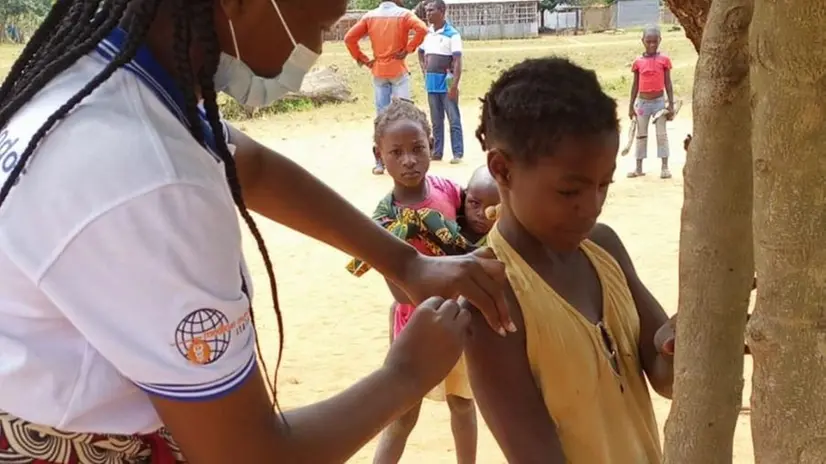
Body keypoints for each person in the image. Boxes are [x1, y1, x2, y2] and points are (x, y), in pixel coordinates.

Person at [0, 1, 515, 462]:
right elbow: (247, 454)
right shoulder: (146, 175)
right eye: (316, 24)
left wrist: (407, 263)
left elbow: (248, 164)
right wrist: (403, 377)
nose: (313, 49)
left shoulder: (115, 78)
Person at [461, 57, 676, 463]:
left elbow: (664, 376)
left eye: (603, 185)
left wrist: (686, 340)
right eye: (568, 192)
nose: (591, 207)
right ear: (502, 170)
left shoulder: (604, 248)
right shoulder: (489, 296)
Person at [344, 100, 477, 464]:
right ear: (379, 154)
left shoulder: (448, 191)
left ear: (431, 143)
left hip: (459, 316)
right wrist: (429, 311)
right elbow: (393, 279)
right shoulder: (384, 220)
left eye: (418, 149)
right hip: (413, 322)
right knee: (403, 414)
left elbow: (472, 235)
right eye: (396, 152)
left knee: (463, 405)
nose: (409, 160)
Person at [344, 1, 428, 175]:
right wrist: (408, 49)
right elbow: (422, 29)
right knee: (405, 114)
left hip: (379, 71)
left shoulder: (369, 16)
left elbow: (349, 38)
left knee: (381, 118)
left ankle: (380, 162)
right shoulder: (404, 14)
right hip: (398, 69)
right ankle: (409, 156)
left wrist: (364, 59)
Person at [418, 0, 464, 164]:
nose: (428, 14)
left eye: (431, 11)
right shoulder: (427, 33)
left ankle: (457, 153)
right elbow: (420, 53)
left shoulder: (453, 34)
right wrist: (424, 69)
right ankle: (437, 152)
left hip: (447, 82)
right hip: (431, 82)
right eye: (427, 11)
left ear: (442, 11)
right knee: (436, 120)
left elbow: (458, 61)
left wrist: (454, 85)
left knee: (453, 118)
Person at [628, 26, 675, 179]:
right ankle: (638, 167)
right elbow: (635, 85)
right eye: (648, 42)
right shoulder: (638, 62)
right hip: (642, 104)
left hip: (659, 104)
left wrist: (671, 105)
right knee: (641, 135)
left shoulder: (664, 60)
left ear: (660, 40)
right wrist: (631, 106)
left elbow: (668, 84)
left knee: (661, 135)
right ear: (643, 41)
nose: (652, 45)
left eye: (655, 42)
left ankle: (665, 167)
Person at [457, 165, 499, 246]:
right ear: (465, 195)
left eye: (493, 209)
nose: (482, 214)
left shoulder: (504, 243)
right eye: (474, 203)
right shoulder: (449, 227)